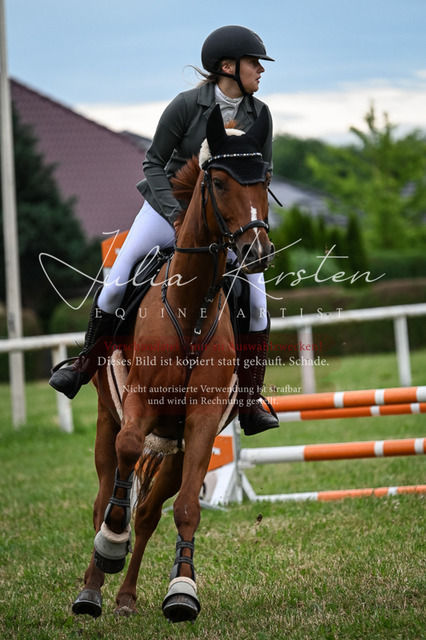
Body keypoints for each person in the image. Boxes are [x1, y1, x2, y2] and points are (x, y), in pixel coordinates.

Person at [49, 25, 279, 435]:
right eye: (253, 62)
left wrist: (251, 223)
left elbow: (263, 173)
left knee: (258, 303)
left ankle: (249, 401)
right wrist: (175, 213)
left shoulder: (260, 115)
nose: (260, 70)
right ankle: (85, 364)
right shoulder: (186, 105)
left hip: (225, 221)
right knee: (115, 284)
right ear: (228, 66)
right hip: (166, 209)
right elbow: (153, 162)